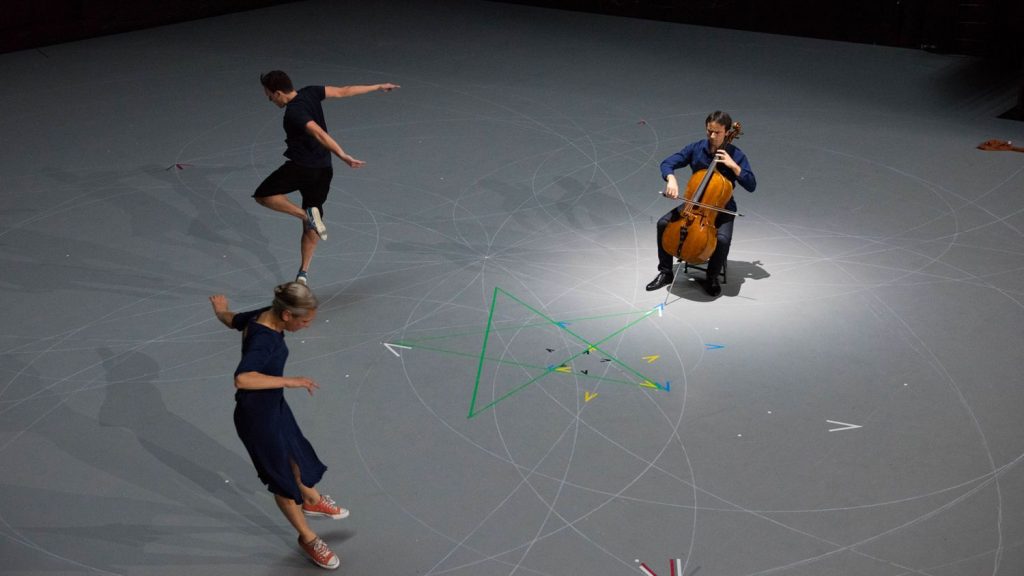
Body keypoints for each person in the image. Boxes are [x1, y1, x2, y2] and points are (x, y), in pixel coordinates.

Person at [209, 282, 347, 570]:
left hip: (274, 407)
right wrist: (290, 381)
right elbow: (243, 378)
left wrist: (221, 310)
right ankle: (308, 538)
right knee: (282, 480)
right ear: (287, 315)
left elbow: (233, 320)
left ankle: (311, 500)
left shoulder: (265, 313)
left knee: (296, 455)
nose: (307, 326)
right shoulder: (265, 340)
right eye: (304, 321)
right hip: (257, 418)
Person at [255, 70, 399, 285]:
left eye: (269, 96)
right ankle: (303, 274)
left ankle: (306, 216)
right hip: (323, 170)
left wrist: (343, 155)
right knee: (314, 221)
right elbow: (344, 91)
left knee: (264, 195)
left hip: (302, 168)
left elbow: (319, 133)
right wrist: (378, 86)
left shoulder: (294, 112)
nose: (269, 100)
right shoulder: (310, 92)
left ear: (278, 93)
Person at [646, 111, 757, 296]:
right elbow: (667, 163)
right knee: (662, 223)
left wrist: (733, 166)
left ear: (727, 132)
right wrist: (671, 178)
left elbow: (751, 185)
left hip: (722, 208)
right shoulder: (696, 148)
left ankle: (711, 277)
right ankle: (665, 272)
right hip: (694, 204)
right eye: (709, 131)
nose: (712, 136)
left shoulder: (736, 155)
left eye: (717, 132)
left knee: (722, 240)